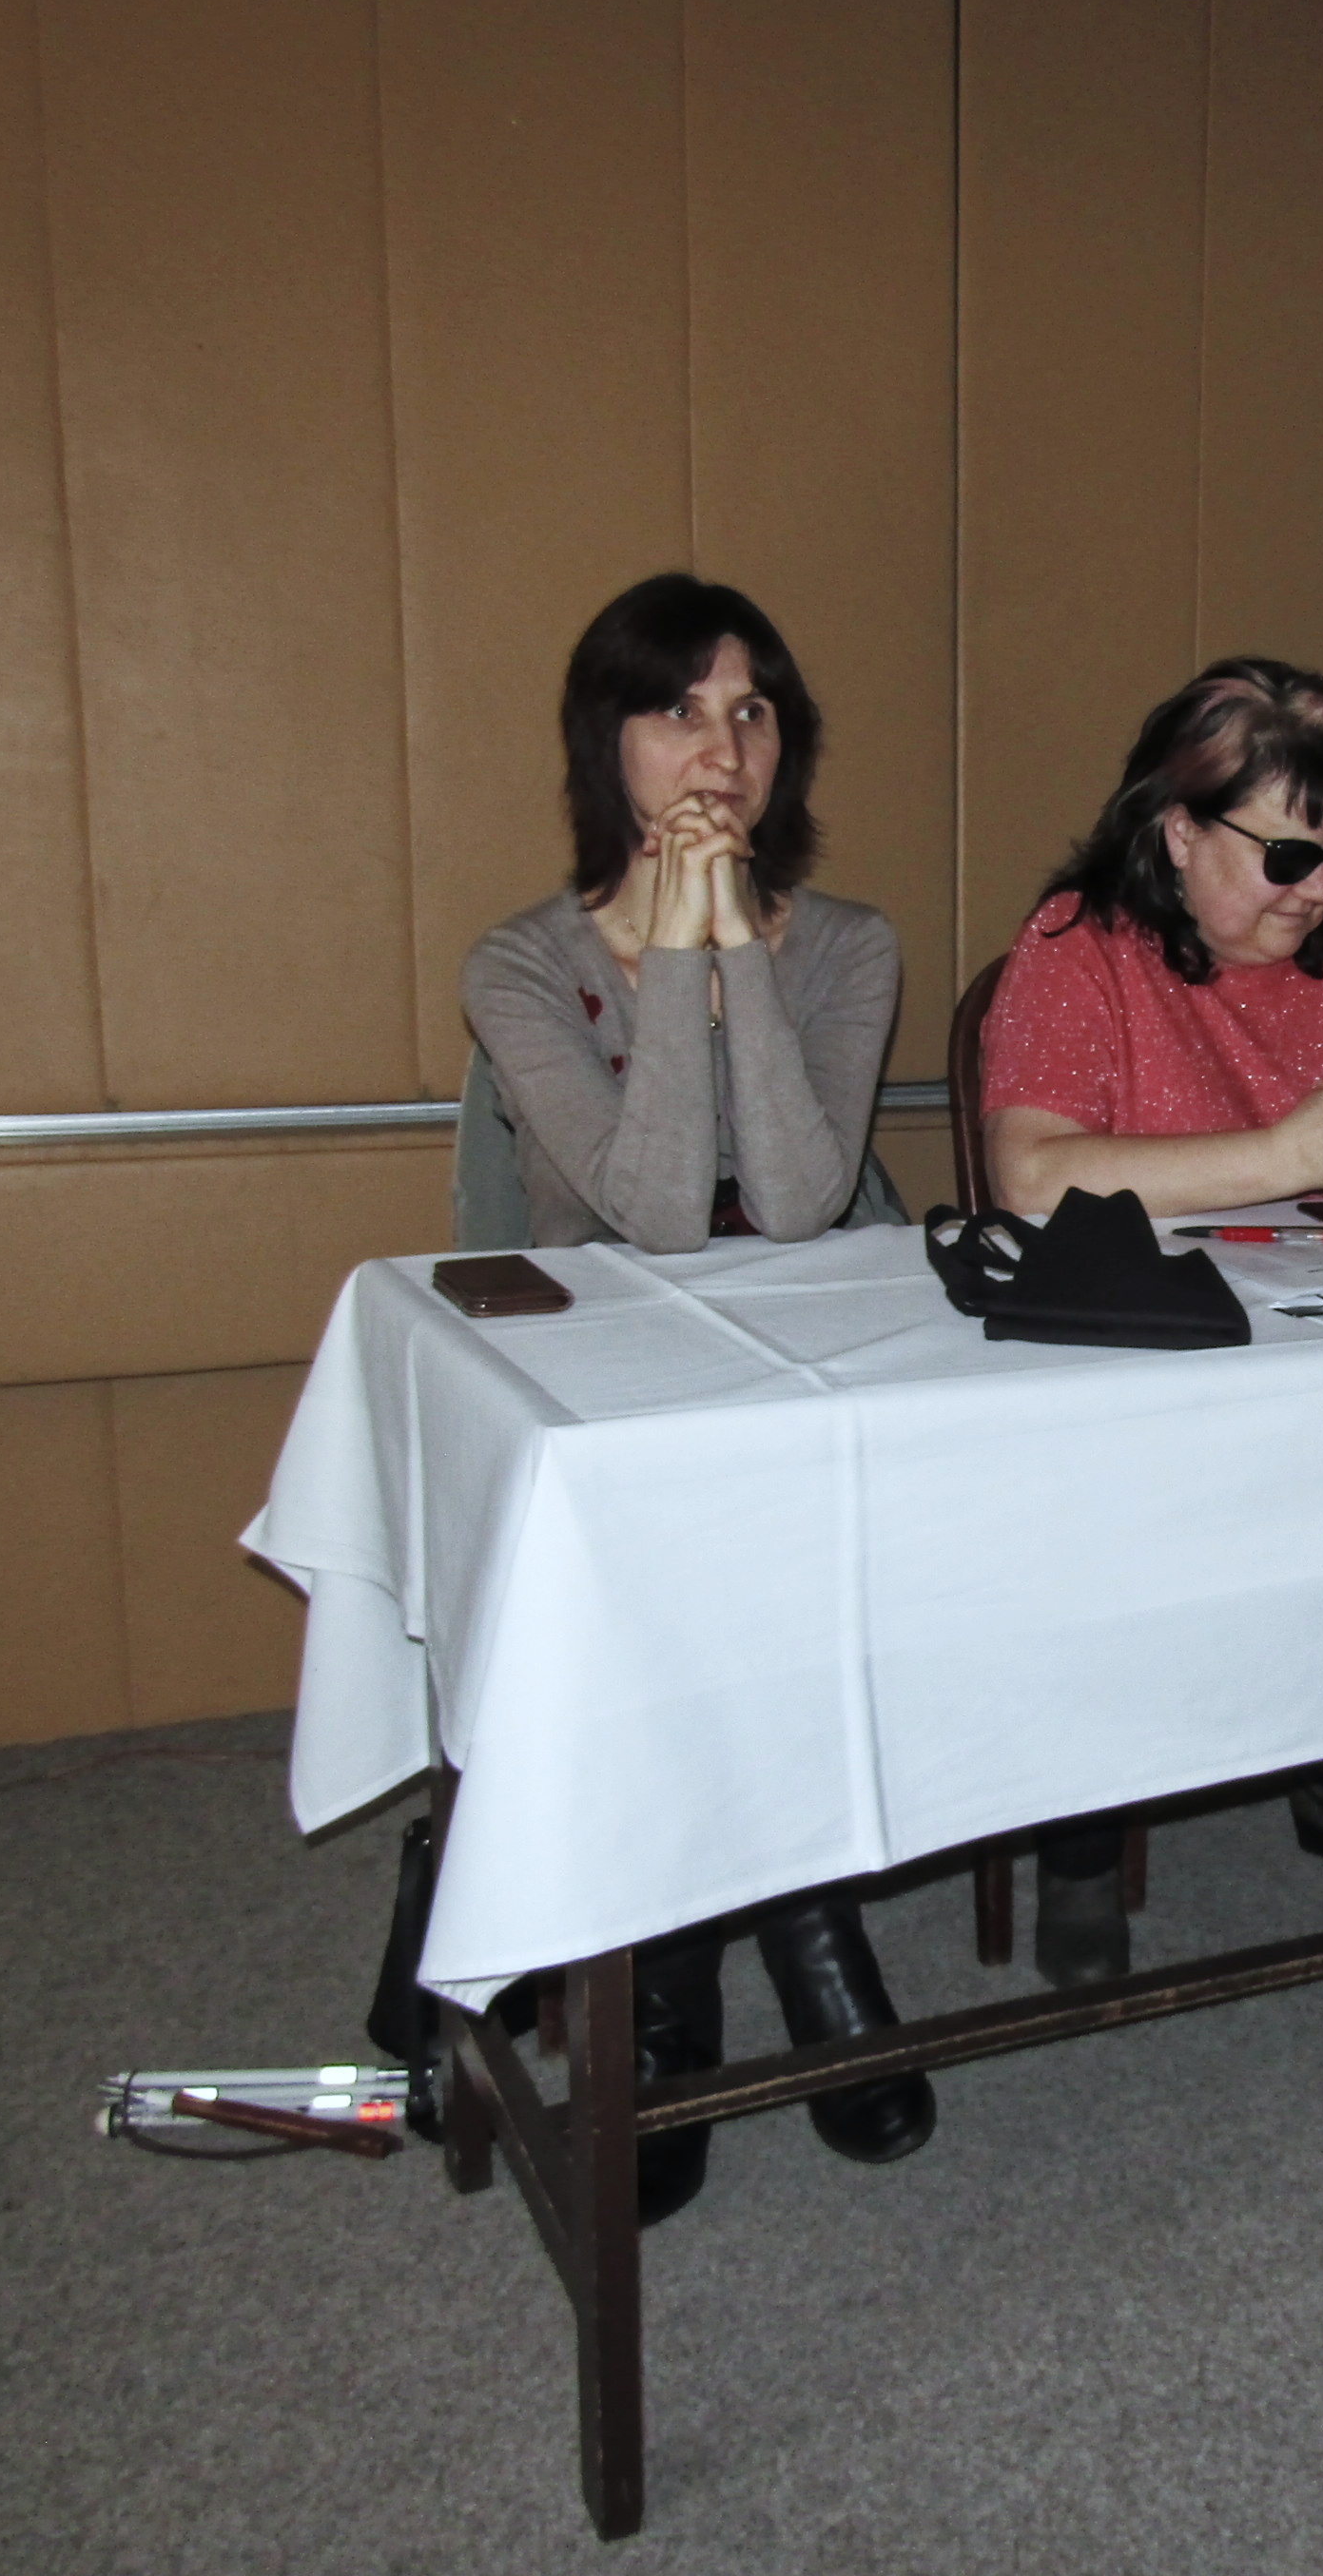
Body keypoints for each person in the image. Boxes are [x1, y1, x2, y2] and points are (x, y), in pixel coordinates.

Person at [458, 573, 928, 2221]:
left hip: (815, 1360)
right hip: (614, 1376)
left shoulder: (850, 946)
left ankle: (792, 1925)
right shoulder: (520, 966)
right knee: (679, 1567)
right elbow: (651, 1214)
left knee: (790, 1538)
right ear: (608, 742)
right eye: (678, 712)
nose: (721, 752)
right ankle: (710, 1968)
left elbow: (798, 1203)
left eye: (752, 714)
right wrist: (678, 946)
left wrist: (738, 941)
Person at [978, 657, 1323, 1985]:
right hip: (1162, 1359)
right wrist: (1287, 1155)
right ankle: (1081, 1843)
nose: (1319, 889)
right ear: (1178, 829)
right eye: (1285, 856)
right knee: (1100, 1509)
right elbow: (1031, 1176)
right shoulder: (1080, 944)